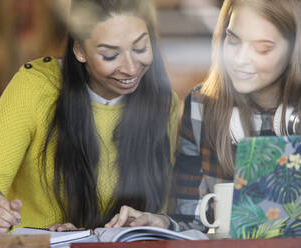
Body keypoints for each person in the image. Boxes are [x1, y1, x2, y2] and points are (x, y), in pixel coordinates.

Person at [0, 0, 181, 234]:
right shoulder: (34, 87)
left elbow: (169, 208)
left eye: (141, 48)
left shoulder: (162, 102)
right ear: (80, 50)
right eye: (110, 55)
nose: (131, 68)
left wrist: (154, 220)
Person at [106, 0, 301, 232]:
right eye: (233, 39)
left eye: (262, 48)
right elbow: (191, 217)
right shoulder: (202, 105)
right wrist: (161, 222)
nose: (240, 59)